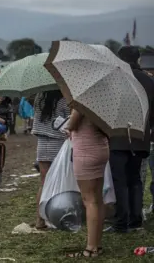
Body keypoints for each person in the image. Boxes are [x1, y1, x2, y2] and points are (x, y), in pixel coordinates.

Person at [104, 46, 154, 233]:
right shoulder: (149, 81)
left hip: (117, 137)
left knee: (120, 181)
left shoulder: (114, 80)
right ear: (138, 59)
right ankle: (135, 221)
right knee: (135, 180)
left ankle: (121, 223)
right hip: (140, 136)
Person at [66, 109, 109, 258]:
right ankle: (98, 244)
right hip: (101, 148)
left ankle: (91, 248)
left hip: (85, 152)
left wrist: (68, 123)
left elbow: (71, 124)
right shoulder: (103, 103)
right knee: (97, 199)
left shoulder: (81, 103)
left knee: (89, 200)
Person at [31, 90, 70, 230]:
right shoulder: (64, 99)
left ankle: (39, 220)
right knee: (59, 184)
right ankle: (57, 218)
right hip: (58, 145)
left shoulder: (39, 96)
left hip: (42, 144)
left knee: (43, 183)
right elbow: (69, 122)